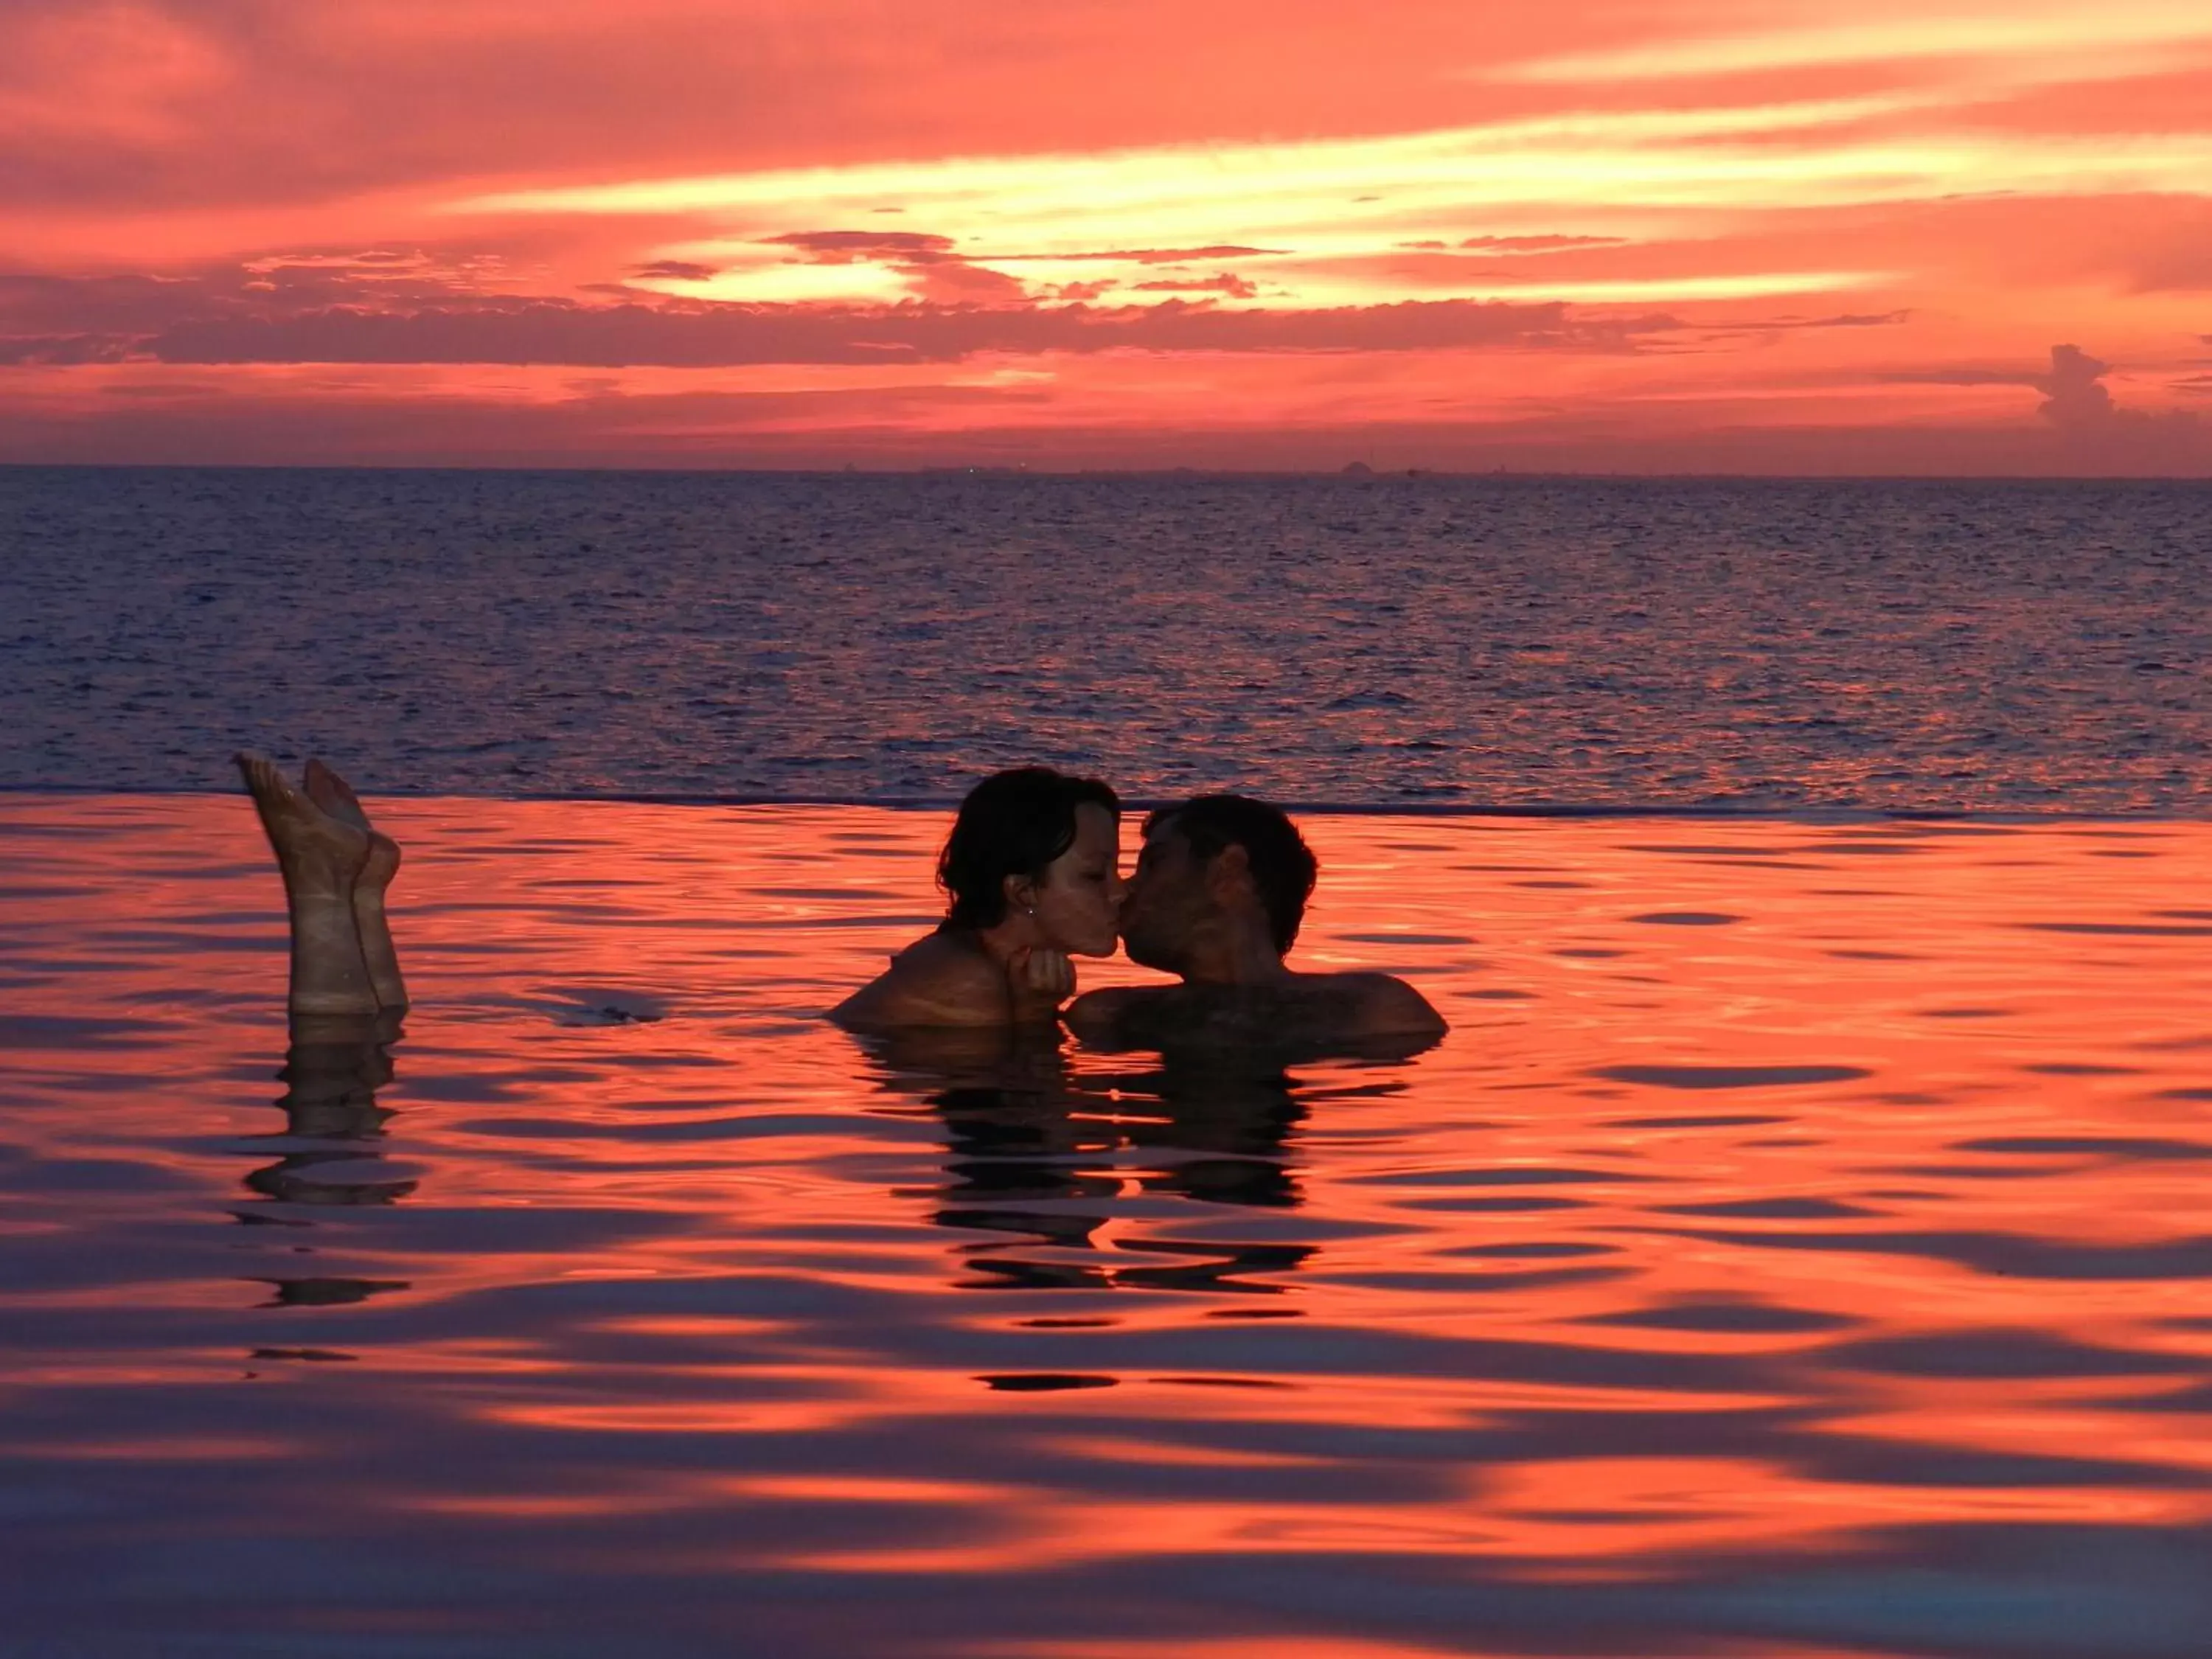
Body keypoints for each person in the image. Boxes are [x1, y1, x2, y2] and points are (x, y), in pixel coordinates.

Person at [1065, 793, 1446, 1053]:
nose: (1123, 890)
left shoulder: (1375, 1008)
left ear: (1227, 872)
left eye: (1153, 864)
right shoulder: (1104, 1012)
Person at [830, 766, 1124, 1030]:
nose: (1121, 892)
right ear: (1022, 892)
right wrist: (1032, 1014)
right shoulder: (967, 977)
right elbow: (1016, 1086)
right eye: (1096, 876)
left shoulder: (988, 965)